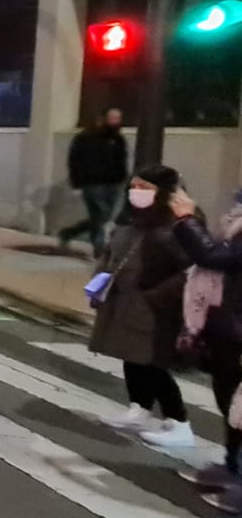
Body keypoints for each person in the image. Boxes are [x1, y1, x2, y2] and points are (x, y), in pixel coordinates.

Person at [89, 165, 194, 447]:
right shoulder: (132, 220)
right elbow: (111, 254)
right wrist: (99, 282)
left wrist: (156, 296)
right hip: (124, 301)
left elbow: (190, 271)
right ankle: (139, 408)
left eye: (145, 187)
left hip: (155, 307)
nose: (137, 192)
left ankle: (179, 422)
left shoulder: (177, 225)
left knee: (152, 363)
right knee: (130, 355)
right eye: (134, 186)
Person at [169, 186, 242, 518]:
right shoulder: (234, 225)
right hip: (229, 326)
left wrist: (186, 220)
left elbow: (215, 256)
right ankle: (233, 468)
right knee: (232, 403)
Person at [60, 108, 130, 258]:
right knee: (102, 216)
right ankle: (100, 250)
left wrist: (123, 179)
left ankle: (69, 233)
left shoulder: (118, 139)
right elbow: (74, 160)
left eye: (118, 118)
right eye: (112, 118)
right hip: (92, 183)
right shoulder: (85, 137)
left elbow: (122, 161)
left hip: (113, 183)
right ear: (104, 118)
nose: (115, 121)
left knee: (100, 217)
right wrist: (77, 182)